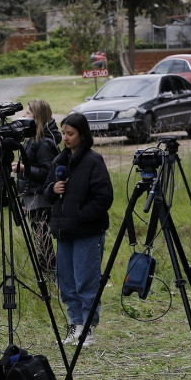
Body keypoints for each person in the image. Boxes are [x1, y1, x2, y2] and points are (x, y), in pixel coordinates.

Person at [45, 112, 113, 346]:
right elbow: (47, 191)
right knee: (67, 282)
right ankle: (76, 324)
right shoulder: (59, 161)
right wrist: (53, 189)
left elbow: (104, 198)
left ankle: (89, 327)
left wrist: (79, 217)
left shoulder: (94, 161)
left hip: (87, 232)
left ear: (82, 134)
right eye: (63, 133)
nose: (65, 138)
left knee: (86, 281)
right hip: (64, 232)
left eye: (70, 133)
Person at [13, 99, 60, 276]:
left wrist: (24, 168)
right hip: (33, 197)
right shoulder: (32, 139)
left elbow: (48, 172)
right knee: (40, 240)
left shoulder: (43, 142)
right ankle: (48, 275)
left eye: (28, 113)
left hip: (40, 199)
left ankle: (50, 277)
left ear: (37, 117)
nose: (24, 117)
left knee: (43, 242)